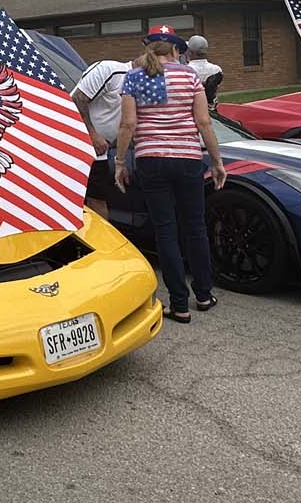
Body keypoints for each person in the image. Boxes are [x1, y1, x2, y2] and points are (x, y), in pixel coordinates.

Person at [114, 25, 227, 325]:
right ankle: (203, 294)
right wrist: (216, 162)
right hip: (188, 158)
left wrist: (119, 162)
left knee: (165, 230)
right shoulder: (189, 76)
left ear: (148, 47)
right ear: (177, 49)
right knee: (195, 227)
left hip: (151, 161)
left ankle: (179, 304)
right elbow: (204, 122)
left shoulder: (134, 77)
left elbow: (128, 125)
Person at [71, 57, 133, 220]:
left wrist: (122, 158)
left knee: (97, 198)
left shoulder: (143, 82)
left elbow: (127, 123)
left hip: (101, 152)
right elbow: (77, 98)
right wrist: (92, 134)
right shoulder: (111, 70)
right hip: (78, 145)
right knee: (92, 200)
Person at [185, 35, 225, 109]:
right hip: (213, 110)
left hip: (193, 110)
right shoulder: (217, 69)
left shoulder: (185, 71)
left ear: (190, 52)